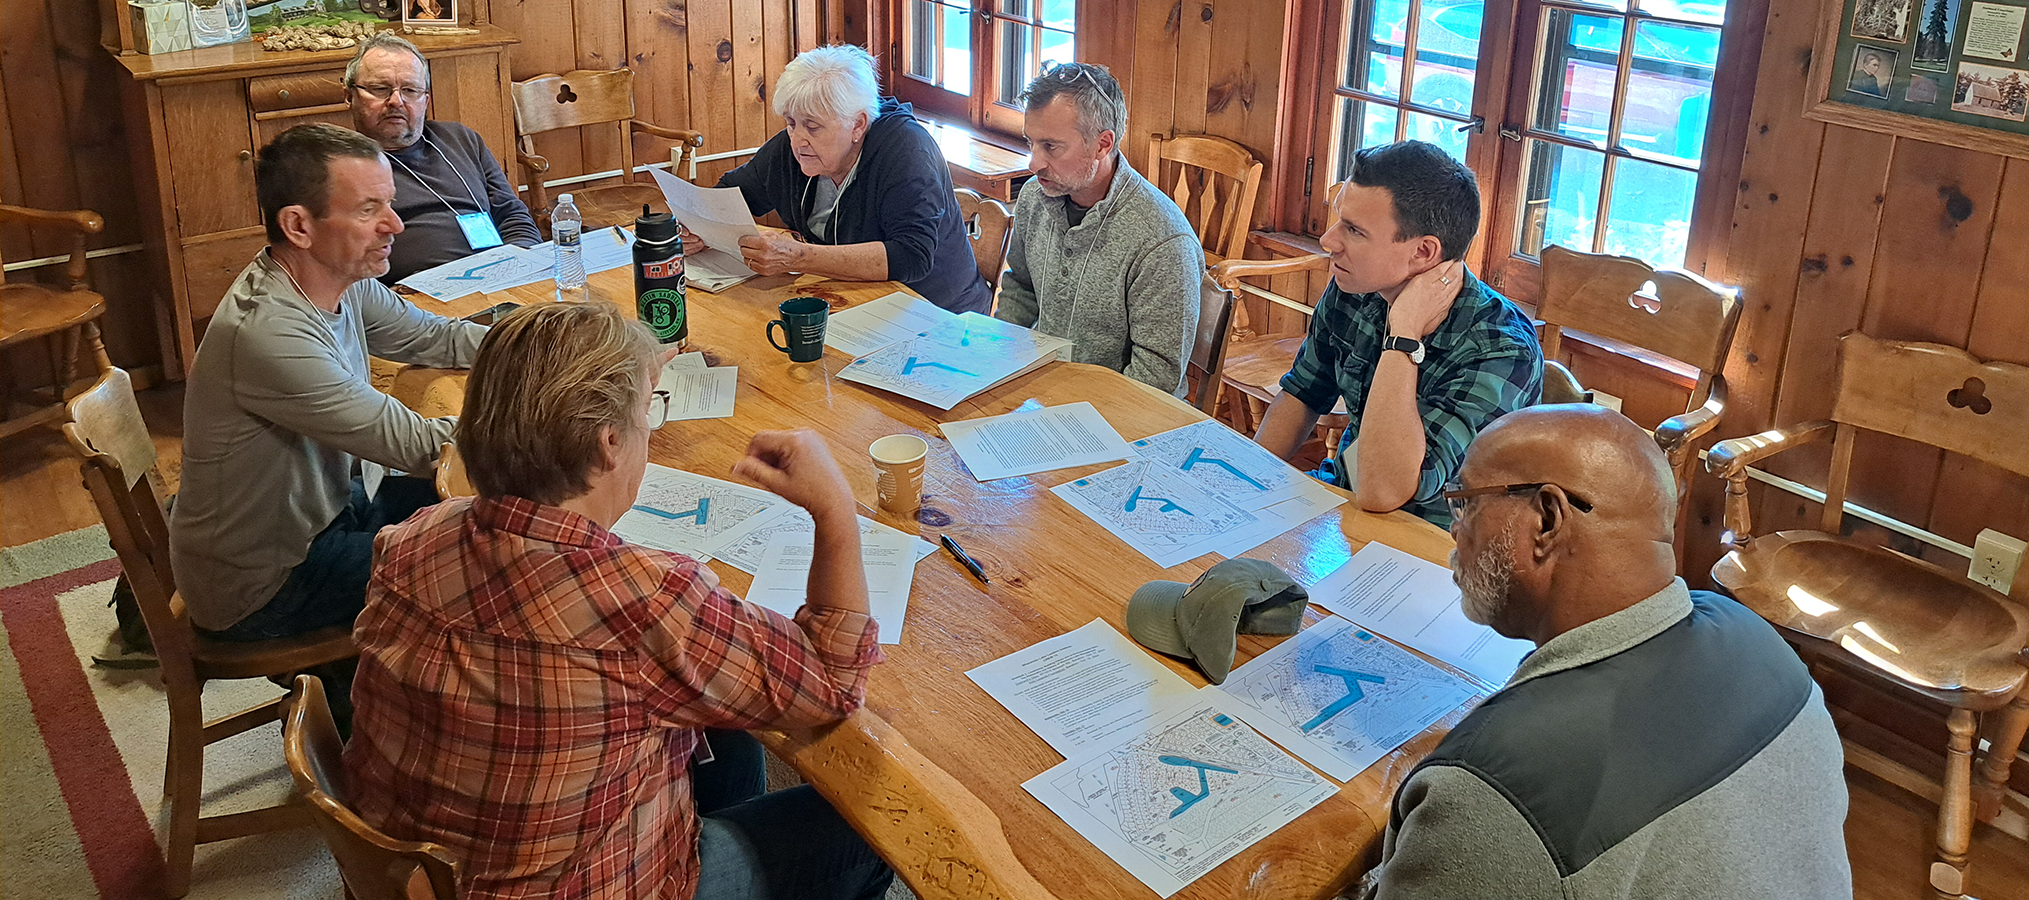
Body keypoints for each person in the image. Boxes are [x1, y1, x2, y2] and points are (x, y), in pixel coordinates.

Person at [344, 301, 894, 900]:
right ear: (610, 443)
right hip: (587, 886)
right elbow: (833, 684)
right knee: (867, 828)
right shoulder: (646, 602)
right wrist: (835, 507)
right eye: (647, 415)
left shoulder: (409, 540)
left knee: (724, 731)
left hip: (423, 874)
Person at [1357, 404, 1851, 899]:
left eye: (1465, 502)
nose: (1454, 528)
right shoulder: (1767, 648)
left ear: (1547, 520)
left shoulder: (1492, 793)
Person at [170, 123, 485, 643]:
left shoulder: (339, 278)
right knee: (490, 554)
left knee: (494, 514)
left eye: (390, 203)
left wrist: (555, 342)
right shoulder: (269, 334)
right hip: (269, 583)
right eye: (368, 210)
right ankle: (395, 706)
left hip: (336, 512)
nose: (395, 225)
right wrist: (553, 420)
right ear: (298, 225)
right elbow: (421, 445)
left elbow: (438, 338)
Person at [1252, 141, 1542, 527]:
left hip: (1440, 548)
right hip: (1345, 503)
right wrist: (1244, 484)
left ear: (1423, 252)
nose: (1328, 240)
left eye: (1354, 230)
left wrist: (1403, 337)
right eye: (1339, 219)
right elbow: (1303, 394)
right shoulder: (1355, 288)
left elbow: (1385, 492)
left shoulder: (1502, 349)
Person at [704, 44, 992, 313]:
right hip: (855, 304)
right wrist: (701, 228)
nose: (798, 140)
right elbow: (730, 194)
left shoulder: (906, 150)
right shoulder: (792, 148)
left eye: (813, 127)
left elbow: (910, 256)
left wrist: (798, 256)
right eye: (791, 123)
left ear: (857, 124)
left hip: (937, 314)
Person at [993, 63, 1201, 395]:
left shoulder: (1162, 241)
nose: (1033, 163)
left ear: (1102, 145)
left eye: (1051, 146)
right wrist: (995, 366)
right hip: (1042, 396)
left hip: (1120, 421)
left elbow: (1155, 379)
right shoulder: (1035, 197)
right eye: (1030, 142)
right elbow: (1021, 289)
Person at [344, 32, 541, 283]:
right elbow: (345, 267)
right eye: (380, 89)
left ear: (425, 100)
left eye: (410, 90)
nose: (396, 101)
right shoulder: (341, 167)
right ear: (350, 97)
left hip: (503, 279)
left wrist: (519, 266)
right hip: (413, 301)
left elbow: (513, 216)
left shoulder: (461, 139)